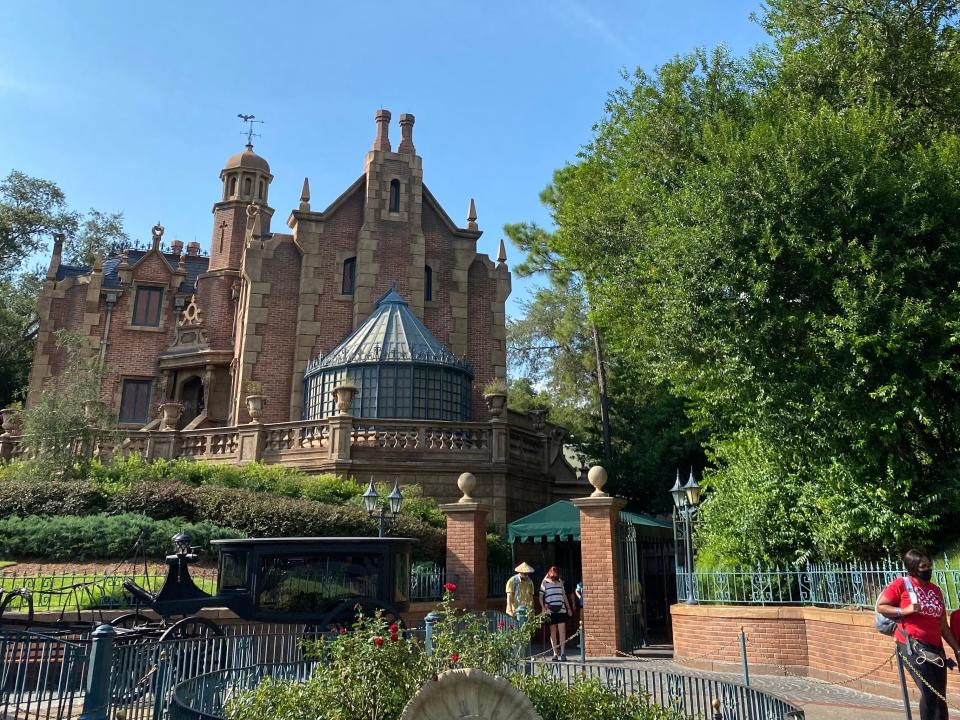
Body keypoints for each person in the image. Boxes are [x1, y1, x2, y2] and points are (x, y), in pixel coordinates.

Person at [876, 549, 960, 720]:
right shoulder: (901, 584)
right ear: (913, 568)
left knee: (940, 696)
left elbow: (943, 626)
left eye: (929, 565)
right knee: (929, 693)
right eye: (923, 566)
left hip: (935, 648)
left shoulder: (935, 590)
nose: (928, 569)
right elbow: (882, 606)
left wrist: (957, 649)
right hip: (913, 647)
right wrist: (904, 610)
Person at [540, 565, 573, 661]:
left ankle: (563, 653)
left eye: (555, 572)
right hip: (550, 610)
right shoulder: (545, 583)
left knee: (562, 631)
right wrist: (543, 607)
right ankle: (555, 653)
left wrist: (568, 608)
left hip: (561, 610)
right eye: (552, 572)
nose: (554, 574)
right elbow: (541, 596)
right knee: (553, 632)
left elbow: (564, 595)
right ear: (549, 573)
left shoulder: (560, 582)